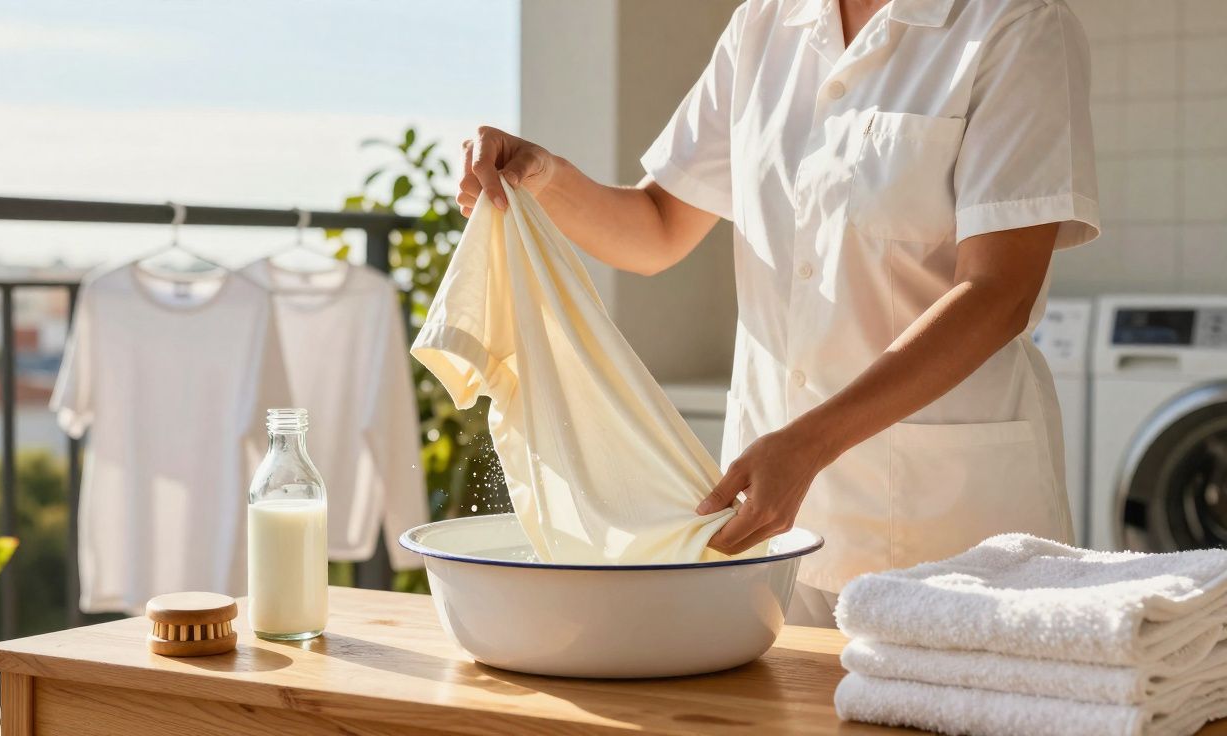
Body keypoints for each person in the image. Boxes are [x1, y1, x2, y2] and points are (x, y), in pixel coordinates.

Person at [457, 0, 1099, 628]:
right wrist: (542, 177)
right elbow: (656, 229)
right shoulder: (762, 26)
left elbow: (999, 293)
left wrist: (810, 444)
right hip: (774, 523)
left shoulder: (1016, 24)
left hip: (951, 519)